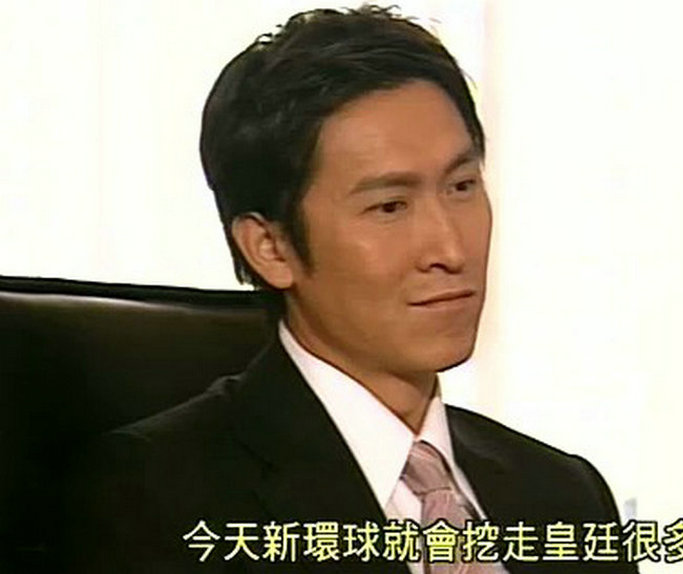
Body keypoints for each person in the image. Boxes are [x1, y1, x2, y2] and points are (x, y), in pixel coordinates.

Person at [66, 5, 636, 573]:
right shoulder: (152, 500)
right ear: (271, 247)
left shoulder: (564, 494)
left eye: (462, 186)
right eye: (390, 207)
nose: (451, 249)